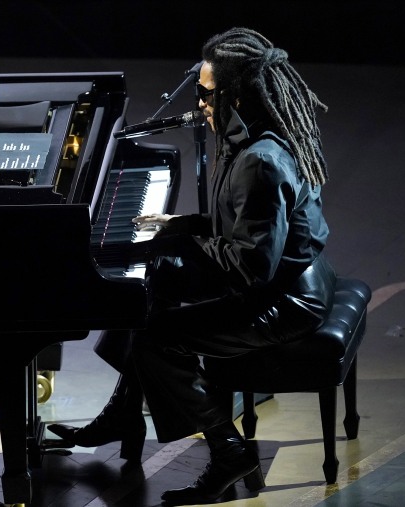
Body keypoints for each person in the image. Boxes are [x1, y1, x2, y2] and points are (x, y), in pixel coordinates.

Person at [49, 26, 336, 505]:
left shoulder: (261, 160)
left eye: (205, 94)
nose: (198, 104)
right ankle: (122, 414)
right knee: (154, 290)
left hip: (287, 300)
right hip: (281, 280)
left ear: (237, 95)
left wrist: (183, 244)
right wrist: (183, 224)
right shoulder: (253, 139)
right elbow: (245, 226)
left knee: (159, 338)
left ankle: (228, 451)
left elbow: (252, 267)